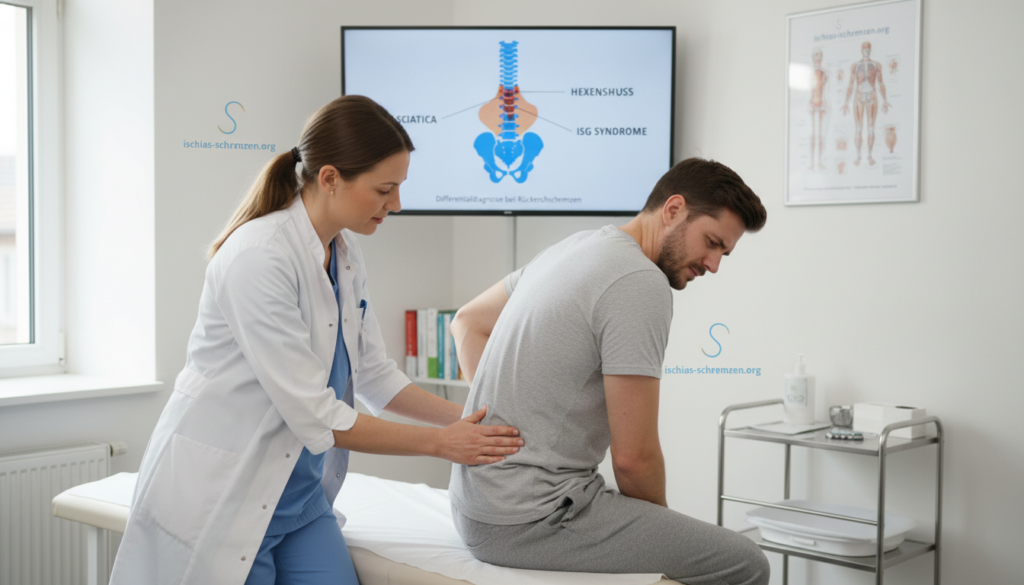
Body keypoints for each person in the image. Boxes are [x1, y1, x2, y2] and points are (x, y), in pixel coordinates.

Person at [109, 95, 523, 585]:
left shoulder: (343, 254)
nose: (396, 204)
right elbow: (317, 414)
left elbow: (373, 377)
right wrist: (442, 444)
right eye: (384, 189)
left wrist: (474, 421)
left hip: (299, 499)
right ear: (330, 179)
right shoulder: (257, 257)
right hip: (222, 497)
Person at [448, 158, 770, 585]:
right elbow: (634, 460)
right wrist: (663, 542)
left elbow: (466, 322)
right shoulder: (640, 282)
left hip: (473, 504)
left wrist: (507, 412)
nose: (713, 265)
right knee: (746, 563)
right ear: (673, 209)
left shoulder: (576, 247)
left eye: (723, 253)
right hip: (526, 519)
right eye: (711, 243)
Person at [842, 41, 890, 166]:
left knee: (870, 128)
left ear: (870, 50)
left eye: (868, 49)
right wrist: (846, 102)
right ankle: (858, 156)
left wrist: (885, 100)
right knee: (858, 128)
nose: (866, 52)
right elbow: (851, 85)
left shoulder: (876, 65)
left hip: (872, 96)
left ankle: (869, 155)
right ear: (861, 51)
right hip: (858, 96)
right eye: (864, 50)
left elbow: (881, 83)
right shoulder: (855, 66)